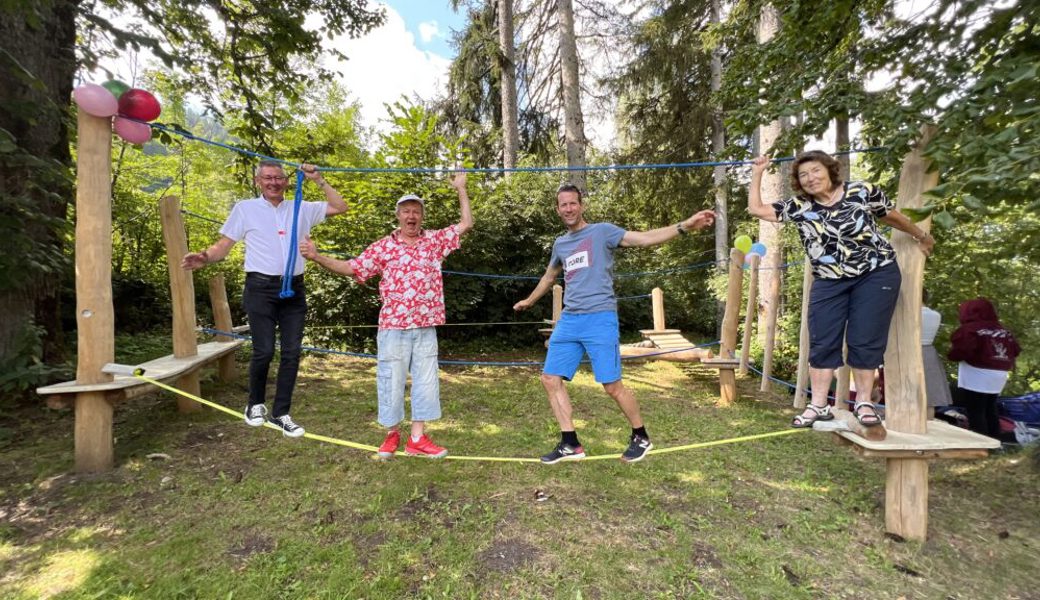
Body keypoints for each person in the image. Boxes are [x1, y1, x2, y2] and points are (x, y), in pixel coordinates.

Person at [513, 183, 715, 464]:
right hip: (570, 320)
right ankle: (570, 442)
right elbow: (549, 277)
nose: (569, 209)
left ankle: (641, 437)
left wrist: (685, 226)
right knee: (549, 378)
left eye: (573, 203)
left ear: (581, 205)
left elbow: (643, 239)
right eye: (563, 205)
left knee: (612, 385)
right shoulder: (560, 244)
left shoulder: (602, 232)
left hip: (600, 318)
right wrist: (530, 300)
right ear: (558, 210)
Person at [746, 151, 935, 428]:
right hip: (829, 279)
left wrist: (920, 235)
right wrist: (758, 172)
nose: (810, 178)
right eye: (803, 175)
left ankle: (864, 403)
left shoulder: (862, 191)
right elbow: (757, 209)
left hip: (875, 273)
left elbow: (891, 217)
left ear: (829, 170)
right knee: (822, 339)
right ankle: (818, 405)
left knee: (865, 337)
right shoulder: (799, 206)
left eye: (815, 171)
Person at [300, 172, 472, 458]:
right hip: (392, 326)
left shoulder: (434, 241)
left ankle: (417, 438)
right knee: (390, 379)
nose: (411, 216)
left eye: (416, 211)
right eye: (406, 211)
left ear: (422, 216)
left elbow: (466, 223)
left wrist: (461, 189)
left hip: (426, 326)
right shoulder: (383, 247)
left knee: (426, 381)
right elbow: (352, 267)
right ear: (398, 216)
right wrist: (317, 257)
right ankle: (392, 434)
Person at [181, 161, 348, 437]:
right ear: (258, 181)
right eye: (267, 178)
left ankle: (281, 413)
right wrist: (205, 257)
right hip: (260, 288)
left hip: (294, 289)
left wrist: (318, 180)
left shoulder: (301, 207)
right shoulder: (245, 209)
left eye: (279, 178)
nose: (273, 182)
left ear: (286, 181)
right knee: (265, 350)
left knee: (292, 353)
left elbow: (340, 207)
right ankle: (255, 404)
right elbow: (224, 245)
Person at [947, 297, 1020, 439]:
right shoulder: (1003, 330)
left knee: (976, 410)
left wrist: (951, 355)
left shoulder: (969, 329)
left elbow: (962, 351)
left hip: (976, 373)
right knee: (990, 408)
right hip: (999, 374)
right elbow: (1015, 350)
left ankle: (980, 443)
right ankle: (995, 440)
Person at [921, 289, 952, 414]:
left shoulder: (904, 314)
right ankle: (930, 423)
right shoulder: (935, 315)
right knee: (930, 396)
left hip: (910, 353)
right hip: (929, 352)